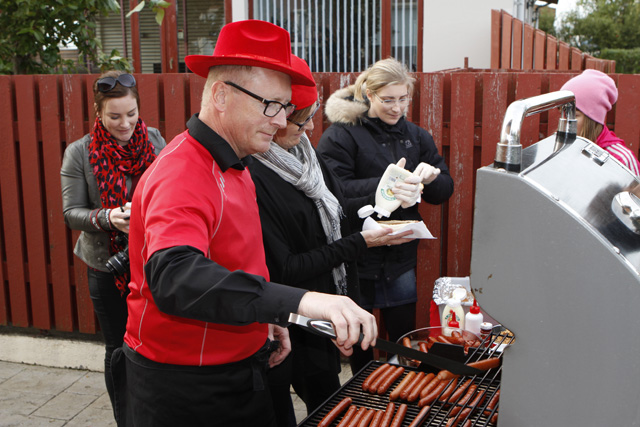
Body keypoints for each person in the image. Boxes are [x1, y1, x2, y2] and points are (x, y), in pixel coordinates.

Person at [115, 20, 378, 427]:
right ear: (221, 95)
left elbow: (237, 260)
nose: (279, 120)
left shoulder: (237, 163)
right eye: (271, 105)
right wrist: (300, 302)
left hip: (240, 363)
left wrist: (267, 318)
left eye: (286, 108)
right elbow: (175, 274)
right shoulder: (183, 171)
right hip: (186, 386)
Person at [249, 55, 421, 426]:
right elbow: (288, 267)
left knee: (328, 401)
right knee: (290, 408)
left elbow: (338, 206)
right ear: (274, 116)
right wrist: (362, 242)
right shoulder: (255, 173)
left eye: (311, 117)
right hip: (289, 315)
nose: (310, 128)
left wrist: (386, 198)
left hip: (324, 307)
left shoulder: (305, 155)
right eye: (301, 120)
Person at [316, 57, 455, 372]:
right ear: (368, 95)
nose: (397, 108)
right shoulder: (342, 135)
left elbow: (445, 190)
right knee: (361, 338)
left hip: (401, 254)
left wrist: (432, 179)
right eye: (388, 100)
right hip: (357, 254)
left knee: (402, 338)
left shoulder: (418, 137)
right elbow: (331, 190)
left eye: (403, 99)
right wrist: (386, 186)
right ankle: (363, 390)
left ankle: (403, 387)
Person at [60, 70, 165, 415]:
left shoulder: (154, 140)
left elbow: (170, 190)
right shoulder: (80, 152)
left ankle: (154, 412)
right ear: (98, 112)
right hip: (107, 266)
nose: (125, 124)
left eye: (131, 114)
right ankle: (126, 418)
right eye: (115, 116)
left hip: (152, 259)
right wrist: (108, 218)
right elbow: (71, 212)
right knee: (118, 348)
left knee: (155, 341)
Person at [561, 69, 640, 176]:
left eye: (574, 115)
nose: (566, 121)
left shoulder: (620, 160)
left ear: (592, 119)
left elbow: (634, 192)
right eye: (564, 114)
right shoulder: (562, 150)